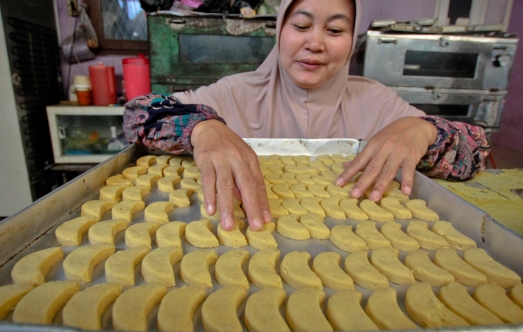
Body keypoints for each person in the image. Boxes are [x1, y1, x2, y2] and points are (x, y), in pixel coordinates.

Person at [123, 0, 489, 232]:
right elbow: (137, 115)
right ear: (280, 30)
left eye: (334, 30)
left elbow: (477, 153)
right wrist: (202, 128)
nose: (315, 42)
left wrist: (422, 130)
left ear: (352, 41)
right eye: (300, 26)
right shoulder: (233, 93)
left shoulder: (377, 103)